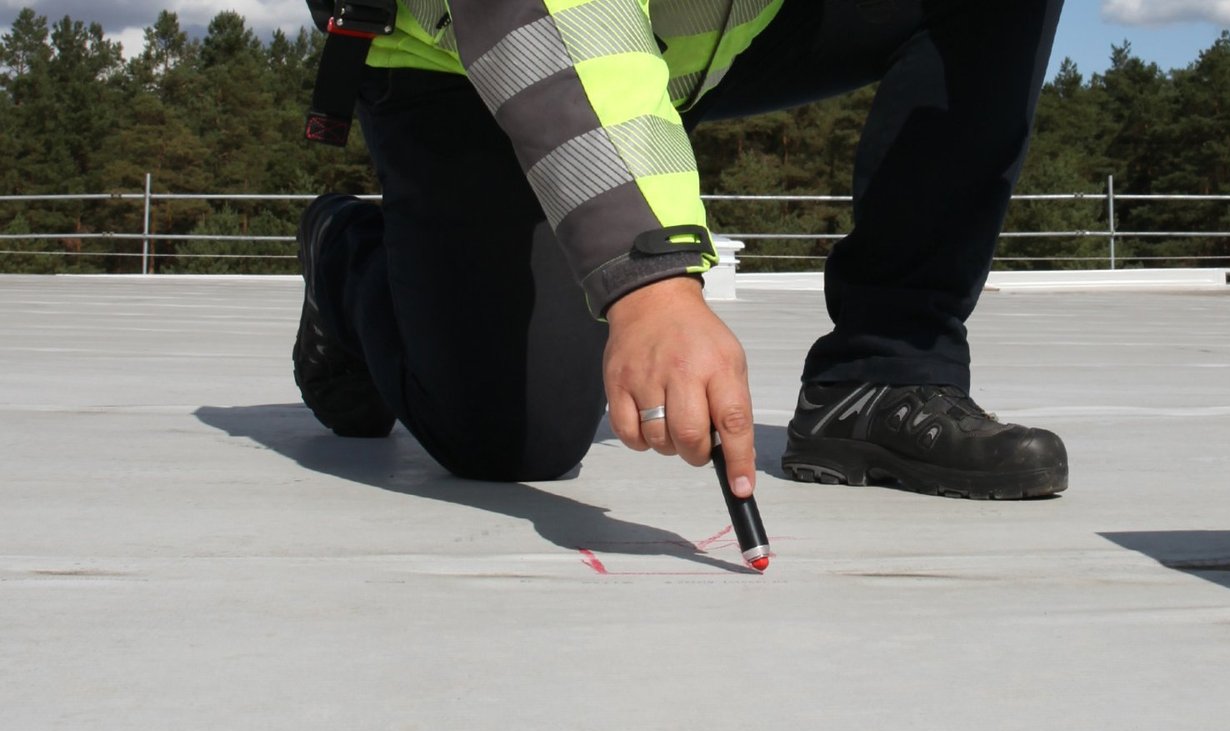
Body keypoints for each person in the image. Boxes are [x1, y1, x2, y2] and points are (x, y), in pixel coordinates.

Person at [294, 0, 1069, 503]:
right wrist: (652, 282)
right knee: (513, 439)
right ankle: (346, 255)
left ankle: (884, 373)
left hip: (701, 38)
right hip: (463, 47)